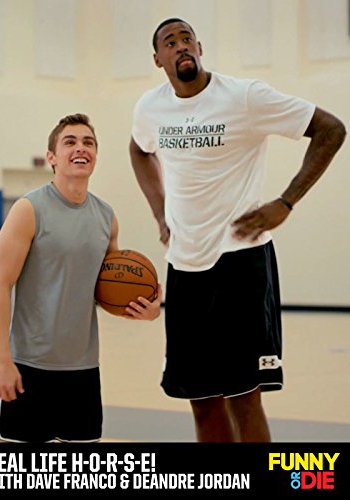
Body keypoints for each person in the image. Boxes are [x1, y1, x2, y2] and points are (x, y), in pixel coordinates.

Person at [129, 18, 346, 442]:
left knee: (244, 397)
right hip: (185, 267)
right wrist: (160, 212)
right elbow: (139, 149)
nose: (181, 46)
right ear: (158, 59)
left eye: (187, 38)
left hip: (242, 263)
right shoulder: (149, 108)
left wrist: (286, 201)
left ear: (200, 46)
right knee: (202, 399)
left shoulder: (245, 97)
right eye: (170, 42)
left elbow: (331, 129)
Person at [0, 113, 162, 443]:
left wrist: (146, 308)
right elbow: (0, 285)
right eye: (70, 142)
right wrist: (1, 361)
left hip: (82, 370)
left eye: (89, 142)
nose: (81, 148)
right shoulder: (28, 209)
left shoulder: (106, 218)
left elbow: (106, 289)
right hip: (28, 366)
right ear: (52, 157)